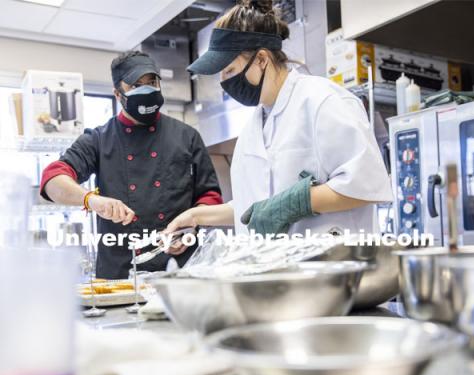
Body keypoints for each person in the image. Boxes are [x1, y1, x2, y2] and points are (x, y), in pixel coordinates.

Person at [165, 0, 392, 255]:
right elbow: (255, 208)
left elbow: (366, 185)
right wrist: (196, 216)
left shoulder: (323, 100)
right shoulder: (254, 126)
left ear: (261, 59)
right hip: (279, 282)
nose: (224, 83)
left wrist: (296, 202)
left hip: (339, 277)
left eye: (229, 70)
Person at [40, 51, 222, 279]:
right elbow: (52, 179)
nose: (147, 89)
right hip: (120, 273)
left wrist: (189, 228)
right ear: (118, 94)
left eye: (152, 82)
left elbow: (210, 196)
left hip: (181, 270)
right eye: (136, 85)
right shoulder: (99, 139)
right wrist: (91, 200)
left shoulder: (187, 137)